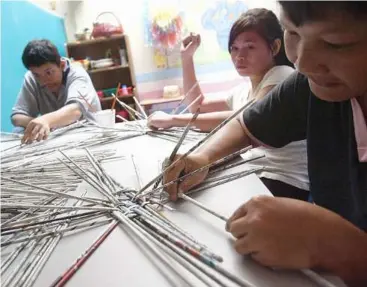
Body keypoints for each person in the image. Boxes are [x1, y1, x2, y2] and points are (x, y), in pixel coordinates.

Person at [163, 1, 367, 286]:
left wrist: (334, 244)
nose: (302, 62)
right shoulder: (309, 86)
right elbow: (246, 124)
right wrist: (203, 158)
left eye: (335, 43)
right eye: (292, 33)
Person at [151, 8, 310, 200]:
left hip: (284, 180)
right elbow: (197, 105)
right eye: (234, 48)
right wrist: (187, 58)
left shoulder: (282, 75)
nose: (239, 56)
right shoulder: (243, 91)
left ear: (275, 47)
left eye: (249, 47)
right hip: (256, 172)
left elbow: (245, 119)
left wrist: (173, 119)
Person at [11, 39, 101, 144]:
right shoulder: (32, 78)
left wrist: (46, 121)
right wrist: (38, 124)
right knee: (18, 131)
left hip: (87, 135)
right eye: (37, 75)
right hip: (55, 138)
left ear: (61, 65)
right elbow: (16, 117)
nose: (43, 80)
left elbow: (75, 111)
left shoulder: (77, 74)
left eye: (49, 72)